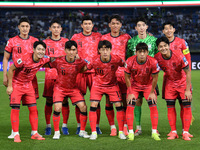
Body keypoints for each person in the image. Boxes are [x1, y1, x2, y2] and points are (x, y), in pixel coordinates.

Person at [3, 17, 39, 139]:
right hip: (15, 77)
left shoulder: (35, 41)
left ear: (30, 27)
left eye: (27, 26)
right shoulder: (12, 41)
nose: (24, 28)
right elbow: (6, 58)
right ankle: (15, 132)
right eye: (22, 26)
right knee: (15, 105)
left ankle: (33, 132)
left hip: (30, 79)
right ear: (18, 27)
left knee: (33, 105)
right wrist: (5, 76)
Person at [6, 41, 49, 142]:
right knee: (16, 109)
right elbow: (11, 69)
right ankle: (16, 134)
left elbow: (55, 58)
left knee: (33, 109)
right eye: (38, 49)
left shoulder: (43, 60)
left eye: (43, 50)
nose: (41, 51)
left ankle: (34, 133)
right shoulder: (24, 58)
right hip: (17, 84)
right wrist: (9, 86)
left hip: (28, 85)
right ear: (33, 50)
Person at [49, 40, 90, 140]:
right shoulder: (58, 61)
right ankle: (57, 132)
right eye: (69, 50)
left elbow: (89, 65)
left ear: (76, 51)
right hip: (60, 88)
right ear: (65, 50)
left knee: (83, 107)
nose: (71, 52)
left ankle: (82, 131)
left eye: (73, 50)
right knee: (57, 108)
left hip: (73, 89)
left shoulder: (80, 61)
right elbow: (46, 63)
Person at [154, 37, 192, 141]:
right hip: (170, 83)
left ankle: (186, 132)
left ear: (169, 46)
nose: (163, 48)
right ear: (158, 48)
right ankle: (173, 131)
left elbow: (188, 72)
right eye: (160, 47)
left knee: (186, 106)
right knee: (170, 107)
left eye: (165, 46)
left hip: (182, 82)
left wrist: (188, 90)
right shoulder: (157, 57)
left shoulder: (179, 55)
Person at [88, 40, 126, 140]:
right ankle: (93, 132)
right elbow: (85, 68)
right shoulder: (94, 60)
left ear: (110, 50)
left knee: (118, 105)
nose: (105, 52)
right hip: (98, 85)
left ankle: (121, 131)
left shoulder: (116, 59)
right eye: (102, 49)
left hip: (112, 85)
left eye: (107, 49)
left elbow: (125, 65)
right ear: (99, 50)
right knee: (93, 105)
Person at [126, 17, 158, 136]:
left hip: (150, 77)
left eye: (142, 25)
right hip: (136, 79)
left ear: (146, 27)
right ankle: (138, 128)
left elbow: (158, 56)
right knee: (137, 102)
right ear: (135, 28)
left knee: (153, 100)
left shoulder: (154, 40)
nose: (140, 27)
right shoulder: (131, 41)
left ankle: (155, 129)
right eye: (138, 25)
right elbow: (129, 58)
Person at [100, 14, 131, 136]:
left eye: (117, 23)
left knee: (124, 101)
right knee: (108, 101)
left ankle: (124, 126)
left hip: (123, 75)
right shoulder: (104, 38)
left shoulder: (126, 37)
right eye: (113, 23)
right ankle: (112, 127)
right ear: (109, 25)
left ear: (121, 25)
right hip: (109, 75)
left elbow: (130, 54)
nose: (115, 25)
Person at [71, 15, 102, 134]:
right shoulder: (75, 37)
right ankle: (79, 125)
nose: (88, 26)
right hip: (80, 72)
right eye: (85, 24)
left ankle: (97, 126)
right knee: (79, 100)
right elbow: (72, 52)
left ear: (92, 25)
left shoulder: (98, 36)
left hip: (94, 73)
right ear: (82, 25)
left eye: (90, 23)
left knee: (96, 101)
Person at [162, 22, 194, 134]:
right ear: (163, 31)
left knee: (183, 104)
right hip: (169, 79)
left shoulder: (182, 42)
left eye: (170, 28)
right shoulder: (162, 44)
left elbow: (188, 58)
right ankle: (175, 130)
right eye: (166, 29)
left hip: (182, 79)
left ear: (174, 29)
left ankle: (185, 130)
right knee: (171, 104)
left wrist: (187, 77)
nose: (168, 31)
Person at [125, 42, 160, 141]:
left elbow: (155, 78)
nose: (142, 54)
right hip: (134, 85)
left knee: (152, 103)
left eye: (144, 52)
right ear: (136, 52)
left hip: (148, 85)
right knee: (131, 104)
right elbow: (127, 77)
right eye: (139, 52)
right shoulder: (129, 61)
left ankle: (154, 132)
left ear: (147, 52)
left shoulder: (153, 62)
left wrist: (152, 92)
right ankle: (131, 132)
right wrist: (130, 92)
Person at [43, 18, 69, 136]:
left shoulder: (66, 42)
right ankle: (48, 126)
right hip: (50, 75)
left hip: (64, 77)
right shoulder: (45, 43)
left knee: (64, 100)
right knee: (49, 101)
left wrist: (54, 58)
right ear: (50, 29)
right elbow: (42, 59)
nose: (56, 29)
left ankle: (64, 125)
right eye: (53, 27)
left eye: (58, 27)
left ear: (61, 29)